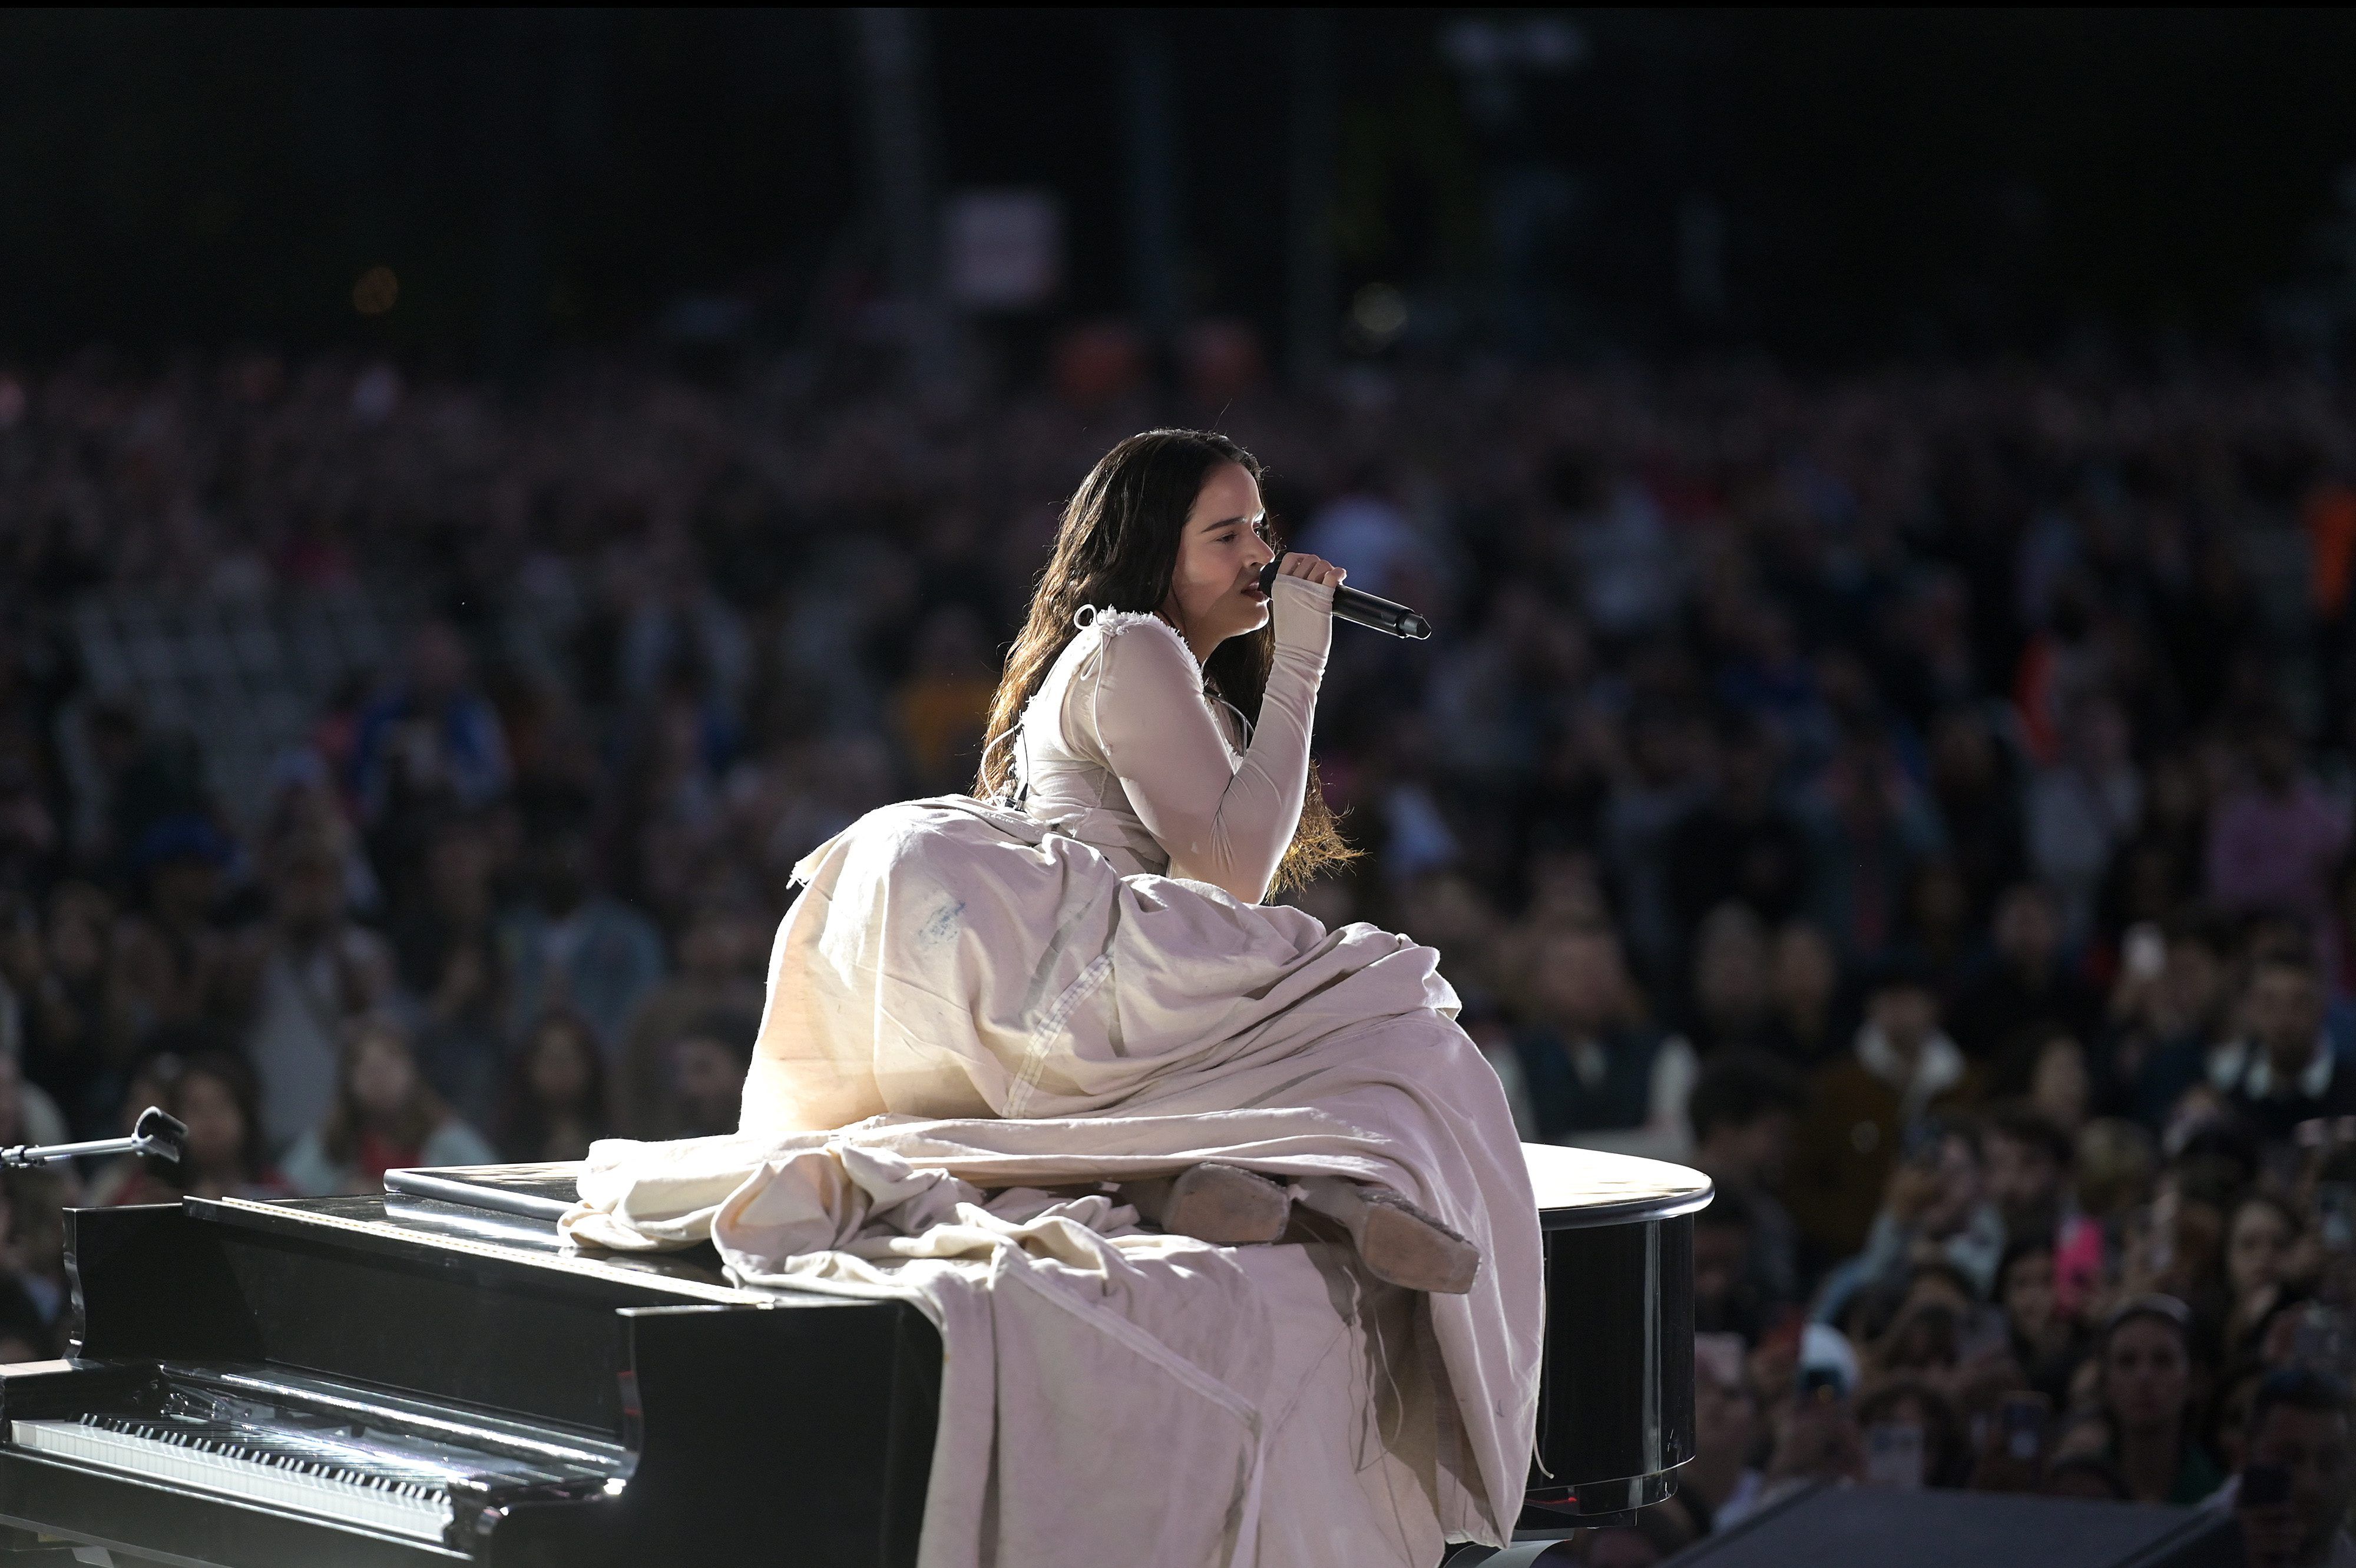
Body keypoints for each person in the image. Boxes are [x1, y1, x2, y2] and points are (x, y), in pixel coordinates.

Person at [703, 429, 1544, 1551]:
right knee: (1396, 1021)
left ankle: (1220, 1184)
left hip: (1089, 959)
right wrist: (1301, 665)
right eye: (1228, 533)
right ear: (1155, 546)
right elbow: (1230, 873)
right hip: (1086, 963)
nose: (1263, 552)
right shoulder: (1136, 641)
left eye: (1264, 527)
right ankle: (1323, 1185)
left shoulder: (1154, 661)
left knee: (1348, 1007)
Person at [280, 1015, 497, 1196]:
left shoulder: (447, 1139)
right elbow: (282, 1192)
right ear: (348, 1082)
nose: (379, 1077)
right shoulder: (330, 1142)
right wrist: (338, 1196)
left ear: (412, 1070)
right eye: (366, 1067)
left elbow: (495, 1189)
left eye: (389, 1063)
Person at [2214, 950, 2356, 1142]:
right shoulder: (2228, 1097)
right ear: (2251, 1008)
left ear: (2321, 1006)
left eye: (2299, 1003)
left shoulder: (2350, 1094)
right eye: (2269, 1003)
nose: (2284, 1019)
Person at [2100, 1294, 2226, 1506]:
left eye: (2163, 1361)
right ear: (2105, 1383)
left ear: (2194, 1380)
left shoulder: (2221, 1499)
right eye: (2127, 1362)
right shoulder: (2080, 1491)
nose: (2144, 1377)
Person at [2229, 1368, 2354, 1568]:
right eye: (2288, 1459)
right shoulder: (2185, 1548)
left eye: (2330, 1461)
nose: (2310, 1485)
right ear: (2245, 1457)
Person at [494, 1010, 611, 1163]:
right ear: (528, 1067)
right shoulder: (507, 1141)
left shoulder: (614, 1139)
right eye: (550, 1059)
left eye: (569, 1058)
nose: (560, 1070)